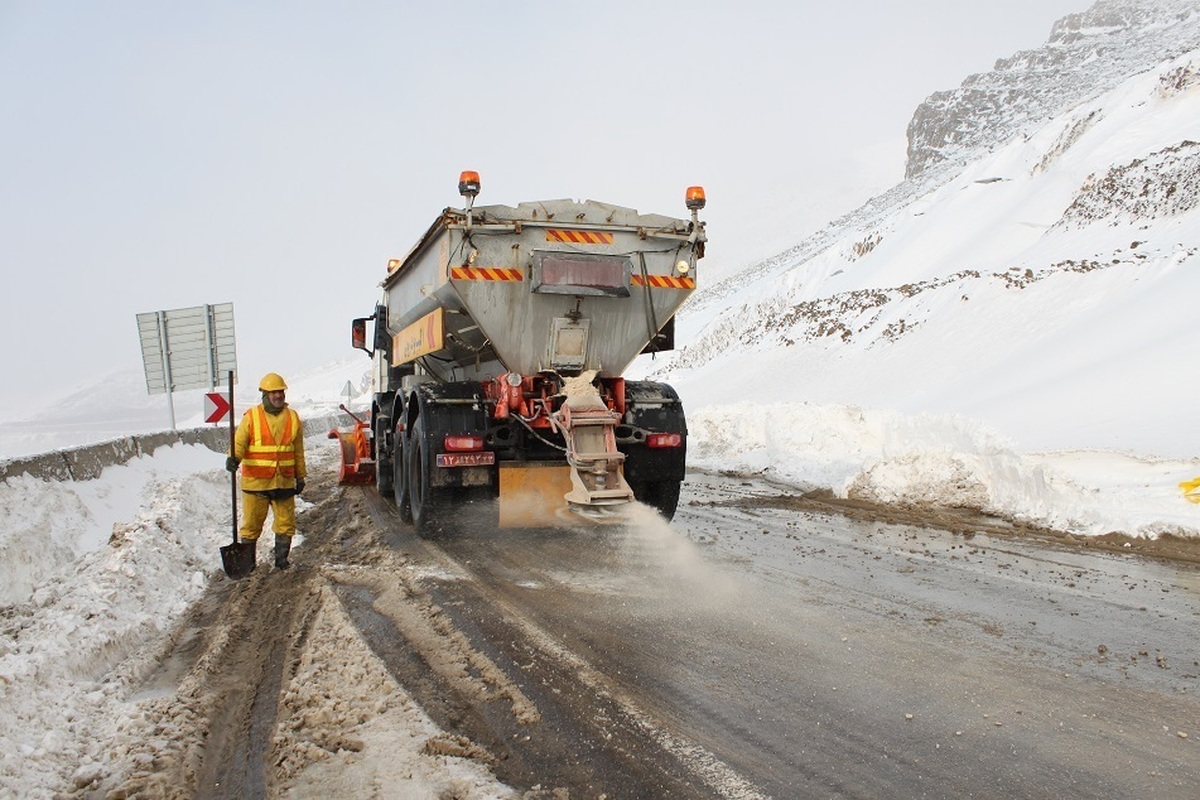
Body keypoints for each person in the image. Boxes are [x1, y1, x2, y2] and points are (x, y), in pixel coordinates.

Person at [225, 372, 307, 569]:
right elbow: (239, 442)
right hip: (256, 483)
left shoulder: (293, 417)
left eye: (281, 391)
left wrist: (300, 476)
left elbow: (298, 451)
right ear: (264, 394)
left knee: (286, 524)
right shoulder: (252, 417)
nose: (278, 395)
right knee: (251, 527)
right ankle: (248, 564)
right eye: (274, 392)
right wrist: (233, 458)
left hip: (284, 482)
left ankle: (281, 562)